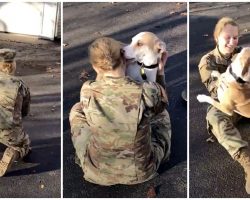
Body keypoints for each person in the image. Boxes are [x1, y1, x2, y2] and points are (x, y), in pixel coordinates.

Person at [69, 37, 171, 185]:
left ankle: (87, 155)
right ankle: (163, 152)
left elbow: (99, 85)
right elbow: (162, 103)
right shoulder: (146, 91)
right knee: (162, 115)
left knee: (77, 109)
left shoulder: (87, 89)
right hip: (141, 171)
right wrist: (160, 72)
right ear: (125, 58)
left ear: (95, 67)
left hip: (96, 171)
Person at [198, 17, 250, 193]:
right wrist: (223, 79)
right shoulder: (208, 61)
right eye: (227, 37)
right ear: (217, 37)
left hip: (247, 102)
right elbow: (215, 90)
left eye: (235, 37)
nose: (232, 41)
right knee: (214, 117)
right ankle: (247, 162)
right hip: (227, 104)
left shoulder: (243, 53)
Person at [0, 48, 31, 176]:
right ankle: (13, 151)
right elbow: (25, 110)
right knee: (24, 143)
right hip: (9, 130)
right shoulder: (20, 85)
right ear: (13, 66)